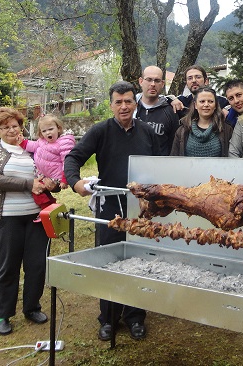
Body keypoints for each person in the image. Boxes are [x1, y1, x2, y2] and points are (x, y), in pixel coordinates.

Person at [64, 81, 160, 342]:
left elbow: (159, 165)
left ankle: (135, 316)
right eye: (118, 102)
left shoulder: (147, 131)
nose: (124, 106)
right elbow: (73, 158)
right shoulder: (100, 131)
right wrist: (76, 183)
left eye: (128, 101)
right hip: (110, 208)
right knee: (110, 261)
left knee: (139, 260)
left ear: (135, 103)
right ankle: (108, 318)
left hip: (139, 208)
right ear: (111, 105)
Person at [0, 107, 52, 336]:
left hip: (36, 217)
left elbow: (48, 171)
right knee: (8, 266)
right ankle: (3, 314)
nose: (11, 130)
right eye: (5, 127)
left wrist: (52, 182)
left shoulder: (33, 149)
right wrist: (28, 184)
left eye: (15, 126)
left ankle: (32, 308)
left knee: (36, 265)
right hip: (7, 218)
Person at [18, 114, 76, 208]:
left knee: (38, 192)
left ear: (58, 128)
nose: (48, 133)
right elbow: (33, 146)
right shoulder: (42, 141)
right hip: (43, 174)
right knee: (39, 191)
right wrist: (23, 142)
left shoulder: (64, 143)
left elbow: (67, 162)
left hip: (56, 176)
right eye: (44, 131)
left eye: (50, 129)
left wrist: (65, 179)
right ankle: (50, 206)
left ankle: (47, 207)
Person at [171, 86, 233, 156]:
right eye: (202, 101)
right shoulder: (183, 130)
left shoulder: (226, 130)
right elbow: (174, 157)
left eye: (210, 101)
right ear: (195, 105)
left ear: (215, 105)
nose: (206, 105)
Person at [136, 65, 180, 155]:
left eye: (157, 80)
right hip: (133, 162)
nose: (153, 84)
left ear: (162, 84)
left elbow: (174, 146)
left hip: (160, 163)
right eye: (149, 79)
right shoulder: (131, 109)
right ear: (141, 81)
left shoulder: (170, 112)